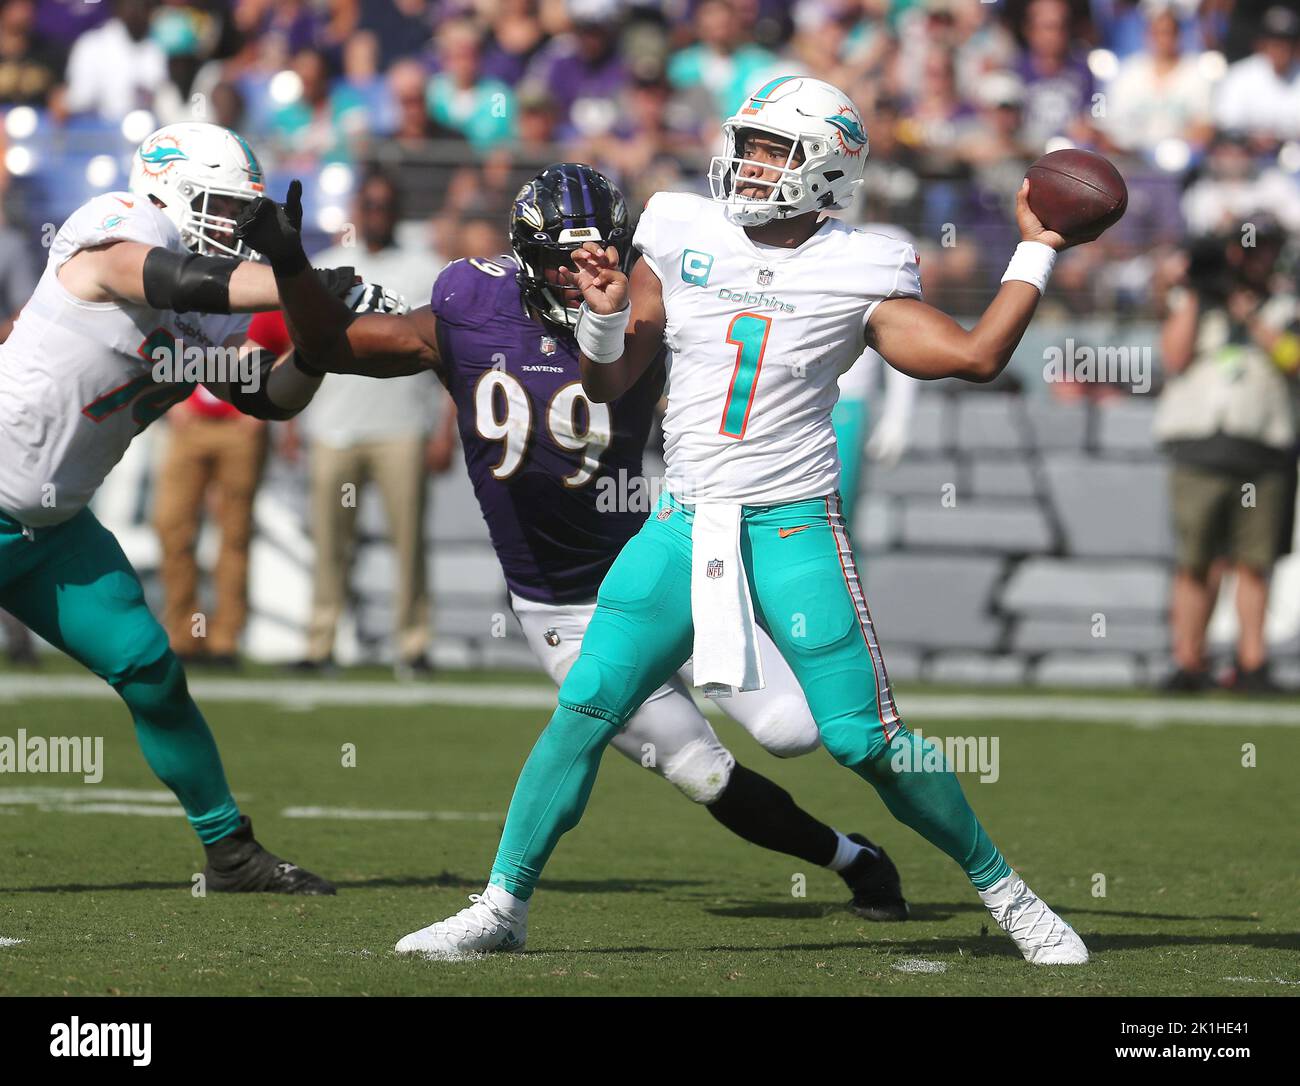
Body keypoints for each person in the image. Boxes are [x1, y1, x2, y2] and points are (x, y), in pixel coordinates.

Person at [249, 77, 1107, 964]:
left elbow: (972, 355)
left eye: (773, 149)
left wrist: (1036, 248)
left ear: (826, 165)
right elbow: (609, 383)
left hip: (790, 523)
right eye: (749, 142)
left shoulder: (866, 261)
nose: (749, 162)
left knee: (859, 739)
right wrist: (607, 316)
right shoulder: (678, 225)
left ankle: (1011, 894)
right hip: (683, 520)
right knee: (586, 704)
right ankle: (501, 907)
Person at [241, 161, 911, 923]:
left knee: (791, 731)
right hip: (559, 606)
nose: (582, 273)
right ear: (528, 255)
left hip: (663, 568)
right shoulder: (469, 302)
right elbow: (329, 345)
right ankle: (854, 860)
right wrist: (289, 263)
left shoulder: (653, 314)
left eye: (600, 254)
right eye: (563, 257)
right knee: (703, 775)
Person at [0, 121, 365, 893]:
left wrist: (318, 344)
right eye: (224, 208)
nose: (234, 229)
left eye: (245, 216)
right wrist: (296, 275)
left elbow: (266, 397)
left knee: (154, 675)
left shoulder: (220, 299)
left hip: (54, 532)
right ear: (171, 185)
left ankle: (230, 855)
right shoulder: (115, 223)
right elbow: (166, 278)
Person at [287, 172, 450, 677]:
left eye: (385, 204)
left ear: (397, 210)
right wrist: (292, 417)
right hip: (332, 424)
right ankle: (320, 643)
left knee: (409, 542)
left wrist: (446, 426)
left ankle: (413, 644)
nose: (377, 212)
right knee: (330, 542)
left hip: (402, 425)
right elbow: (301, 346)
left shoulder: (427, 268)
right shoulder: (324, 266)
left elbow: (452, 353)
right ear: (357, 207)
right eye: (370, 203)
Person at [1154, 220, 1299, 693]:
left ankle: (1252, 663)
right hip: (1200, 447)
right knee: (1196, 560)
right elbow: (1173, 359)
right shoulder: (1193, 302)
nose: (1253, 262)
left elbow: (1293, 360)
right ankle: (1188, 661)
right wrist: (1196, 292)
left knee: (1255, 562)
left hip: (1265, 448)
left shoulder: (1285, 306)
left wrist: (1250, 316)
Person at [152, 384, 267, 667]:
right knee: (172, 528)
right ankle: (184, 634)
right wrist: (170, 401)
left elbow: (291, 351)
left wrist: (265, 407)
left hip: (240, 425)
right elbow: (160, 345)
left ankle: (224, 640)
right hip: (190, 421)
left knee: (235, 536)